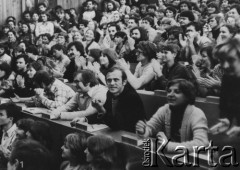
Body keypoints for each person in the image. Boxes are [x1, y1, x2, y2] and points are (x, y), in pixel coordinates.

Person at [136, 79, 209, 152]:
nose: (170, 94)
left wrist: (168, 146)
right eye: (169, 91)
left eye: (177, 92)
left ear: (187, 96)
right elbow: (150, 127)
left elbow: (202, 143)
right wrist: (143, 131)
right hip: (172, 156)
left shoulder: (197, 114)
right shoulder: (165, 109)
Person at [92, 67, 146, 132]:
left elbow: (118, 125)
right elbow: (108, 114)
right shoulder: (110, 93)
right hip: (119, 132)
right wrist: (85, 119)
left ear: (124, 82)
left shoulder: (131, 97)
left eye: (116, 80)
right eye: (109, 80)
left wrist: (100, 109)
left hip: (134, 135)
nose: (112, 83)